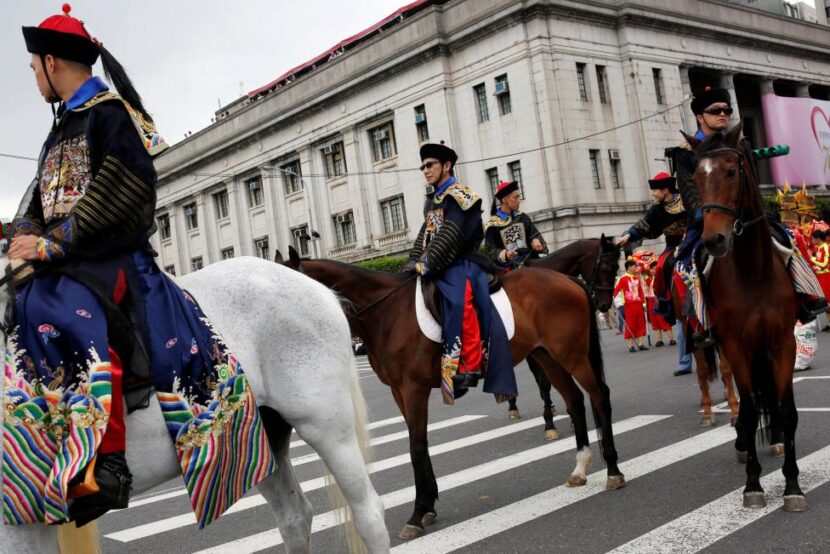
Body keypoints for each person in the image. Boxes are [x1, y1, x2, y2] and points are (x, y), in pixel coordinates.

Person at [5, 5, 275, 526]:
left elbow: (123, 192)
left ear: (52, 61)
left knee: (65, 314)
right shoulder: (58, 131)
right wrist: (26, 239)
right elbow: (35, 202)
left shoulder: (111, 114)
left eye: (34, 67)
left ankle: (105, 462)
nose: (34, 77)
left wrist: (55, 245)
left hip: (109, 257)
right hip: (69, 256)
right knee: (20, 300)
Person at [665, 86, 827, 349]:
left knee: (788, 239)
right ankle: (705, 322)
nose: (723, 114)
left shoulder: (741, 144)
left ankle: (806, 296)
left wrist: (749, 211)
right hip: (708, 218)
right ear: (699, 116)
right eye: (715, 111)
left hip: (746, 215)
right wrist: (711, 215)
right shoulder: (685, 152)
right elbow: (689, 191)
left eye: (726, 110)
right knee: (688, 263)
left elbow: (750, 182)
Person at [403, 143, 516, 404]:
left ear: (446, 166)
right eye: (423, 166)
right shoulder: (434, 199)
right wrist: (412, 261)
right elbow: (427, 233)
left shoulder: (462, 195)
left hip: (461, 261)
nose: (425, 170)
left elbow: (451, 233)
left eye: (430, 165)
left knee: (459, 301)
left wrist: (427, 262)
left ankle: (469, 365)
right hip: (440, 262)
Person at [484, 180, 546, 272]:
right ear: (504, 200)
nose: (519, 200)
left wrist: (537, 241)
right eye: (515, 197)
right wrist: (504, 254)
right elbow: (490, 250)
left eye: (519, 197)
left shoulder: (522, 217)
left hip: (531, 262)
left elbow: (534, 235)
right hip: (508, 269)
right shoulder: (493, 225)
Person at [613, 260, 649, 352]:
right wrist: (612, 298)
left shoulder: (637, 278)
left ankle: (640, 344)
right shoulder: (622, 278)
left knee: (641, 323)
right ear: (629, 267)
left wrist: (644, 303)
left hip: (638, 304)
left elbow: (641, 291)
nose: (636, 268)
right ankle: (631, 345)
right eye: (634, 266)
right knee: (630, 324)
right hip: (629, 305)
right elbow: (616, 290)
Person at [642, 262, 675, 347]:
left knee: (663, 319)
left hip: (659, 300)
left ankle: (671, 338)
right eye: (652, 269)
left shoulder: (662, 279)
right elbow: (643, 272)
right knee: (654, 321)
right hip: (651, 301)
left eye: (655, 268)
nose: (653, 270)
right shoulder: (648, 278)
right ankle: (659, 340)